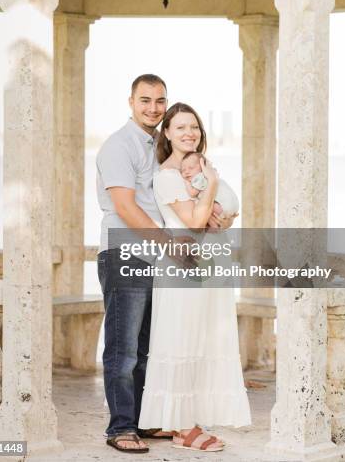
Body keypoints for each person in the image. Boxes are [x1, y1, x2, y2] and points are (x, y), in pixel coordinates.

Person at [96, 75, 209, 453]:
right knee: (122, 348)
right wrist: (171, 245)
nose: (154, 108)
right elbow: (126, 208)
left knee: (147, 347)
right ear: (130, 101)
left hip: (155, 258)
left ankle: (144, 421)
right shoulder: (119, 146)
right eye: (145, 100)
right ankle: (121, 427)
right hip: (125, 253)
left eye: (160, 101)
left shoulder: (159, 149)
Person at [138, 102, 251, 452]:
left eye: (195, 127)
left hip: (210, 265)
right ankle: (181, 428)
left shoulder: (198, 168)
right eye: (182, 127)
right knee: (181, 339)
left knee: (203, 341)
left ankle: (191, 419)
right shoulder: (168, 176)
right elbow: (194, 222)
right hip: (182, 269)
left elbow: (221, 214)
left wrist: (224, 217)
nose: (190, 133)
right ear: (167, 133)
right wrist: (213, 184)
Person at [180, 150, 239, 217]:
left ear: (202, 167)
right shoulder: (210, 173)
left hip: (224, 206)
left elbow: (192, 193)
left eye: (191, 168)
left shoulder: (200, 177)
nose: (186, 172)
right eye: (183, 170)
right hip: (232, 204)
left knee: (208, 211)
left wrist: (186, 181)